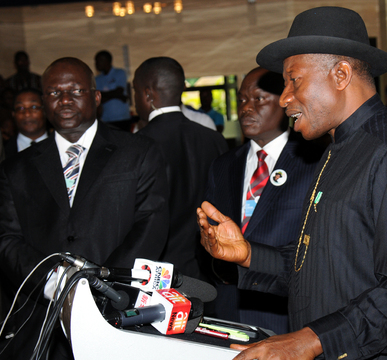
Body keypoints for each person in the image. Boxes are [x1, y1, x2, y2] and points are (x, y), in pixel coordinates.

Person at [197, 7, 387, 360]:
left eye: (294, 80)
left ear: (341, 74)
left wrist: (308, 341)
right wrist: (247, 254)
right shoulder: (338, 149)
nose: (285, 97)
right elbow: (322, 265)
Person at [0, 57, 169, 359]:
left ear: (96, 96)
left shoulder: (137, 151)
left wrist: (100, 285)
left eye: (76, 90)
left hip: (118, 311)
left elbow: (151, 223)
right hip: (42, 319)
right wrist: (56, 284)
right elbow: (7, 238)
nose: (64, 99)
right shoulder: (16, 168)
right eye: (54, 92)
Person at [206, 66, 324, 335]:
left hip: (286, 314)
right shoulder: (223, 165)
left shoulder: (314, 160)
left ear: (285, 101)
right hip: (230, 311)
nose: (246, 107)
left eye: (258, 99)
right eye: (242, 99)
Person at [133, 57, 228, 279]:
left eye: (135, 91)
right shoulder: (214, 139)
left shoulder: (136, 146)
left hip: (157, 273)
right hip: (209, 266)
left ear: (147, 94)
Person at [4, 88, 48, 157]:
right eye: (20, 108)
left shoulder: (62, 145)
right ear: (13, 114)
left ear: (45, 111)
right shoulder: (4, 150)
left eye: (34, 107)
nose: (27, 114)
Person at [94, 50, 132, 131]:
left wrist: (103, 95)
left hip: (122, 118)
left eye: (98, 61)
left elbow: (119, 91)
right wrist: (118, 96)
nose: (96, 64)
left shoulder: (119, 73)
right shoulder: (97, 79)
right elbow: (97, 98)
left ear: (107, 61)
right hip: (106, 119)